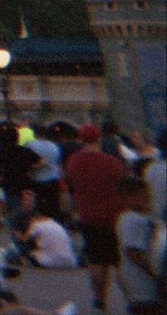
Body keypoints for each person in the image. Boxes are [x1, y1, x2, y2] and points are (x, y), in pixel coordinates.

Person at [64, 123, 128, 313]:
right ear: (98, 139)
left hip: (88, 215)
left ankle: (99, 299)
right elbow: (123, 185)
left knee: (96, 260)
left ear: (80, 140)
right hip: (114, 215)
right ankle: (132, 297)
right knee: (119, 262)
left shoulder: (73, 161)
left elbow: (70, 187)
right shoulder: (111, 162)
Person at [116, 176, 163, 315]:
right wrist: (154, 272)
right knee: (146, 308)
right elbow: (133, 252)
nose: (149, 202)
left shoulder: (126, 218)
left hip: (132, 277)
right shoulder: (134, 220)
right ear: (130, 198)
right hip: (140, 279)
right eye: (145, 198)